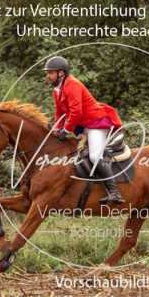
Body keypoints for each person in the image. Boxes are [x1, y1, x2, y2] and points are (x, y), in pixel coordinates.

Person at [44, 56, 124, 205]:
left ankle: (115, 193)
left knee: (94, 156)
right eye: (48, 73)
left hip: (96, 124)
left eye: (50, 72)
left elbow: (76, 112)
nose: (47, 76)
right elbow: (59, 113)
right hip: (83, 127)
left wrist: (66, 130)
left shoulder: (72, 84)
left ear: (61, 73)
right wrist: (56, 129)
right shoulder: (57, 89)